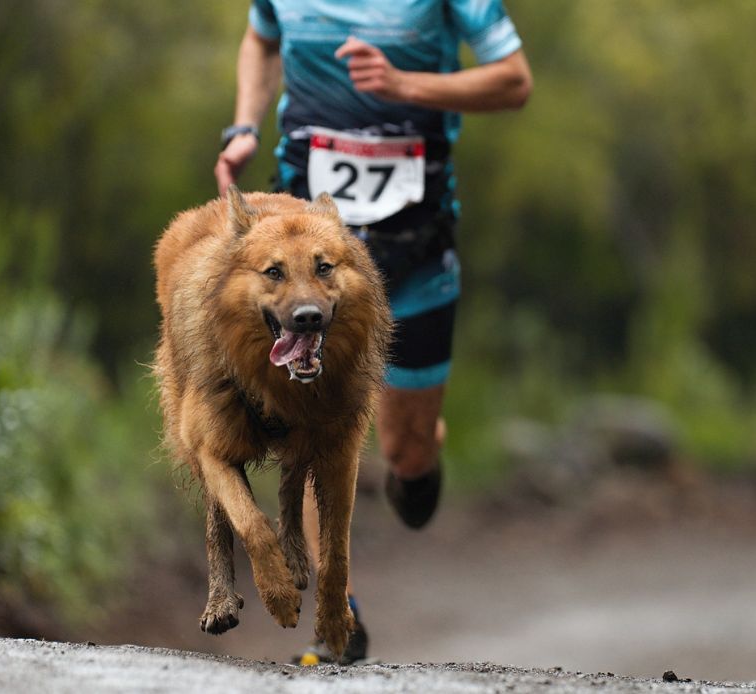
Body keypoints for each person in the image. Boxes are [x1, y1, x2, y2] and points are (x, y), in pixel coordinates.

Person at [214, 0, 532, 665]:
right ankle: (340, 613)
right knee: (315, 426)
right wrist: (244, 122)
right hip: (306, 252)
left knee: (405, 452)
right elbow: (260, 37)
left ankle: (423, 450)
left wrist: (404, 85)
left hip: (413, 249)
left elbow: (513, 80)